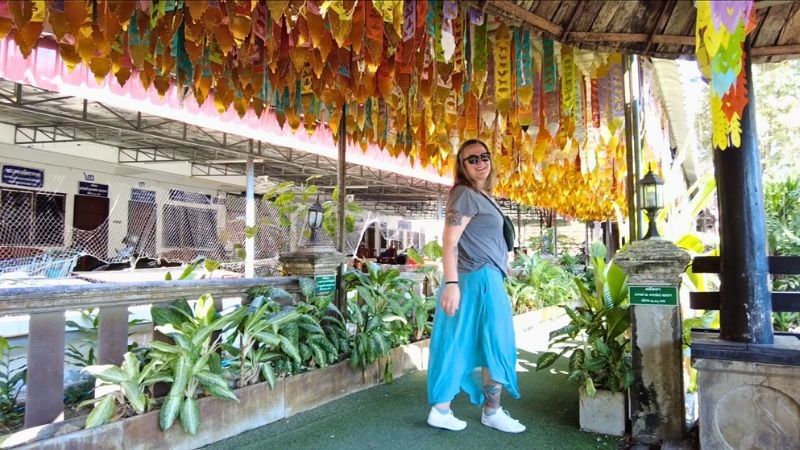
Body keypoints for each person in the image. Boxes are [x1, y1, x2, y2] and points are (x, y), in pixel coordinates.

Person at [426, 139, 525, 433]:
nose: (480, 162)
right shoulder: (465, 195)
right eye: (472, 159)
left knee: (467, 341)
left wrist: (502, 263)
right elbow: (449, 241)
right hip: (476, 279)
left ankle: (444, 409)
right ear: (462, 166)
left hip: (485, 276)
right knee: (495, 341)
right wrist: (451, 283)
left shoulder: (481, 195)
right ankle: (490, 411)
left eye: (484, 156)